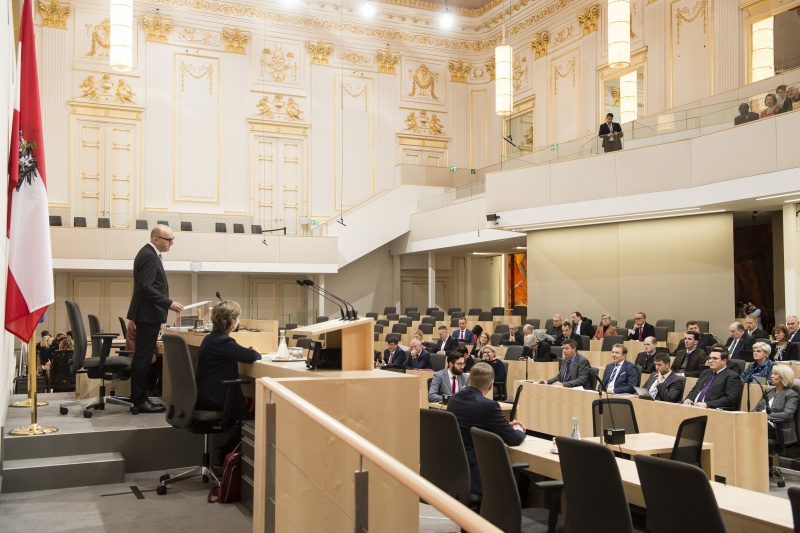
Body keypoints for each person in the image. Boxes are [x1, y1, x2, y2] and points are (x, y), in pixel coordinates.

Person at [126, 224, 184, 413]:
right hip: (148, 315)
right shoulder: (149, 255)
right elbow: (146, 287)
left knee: (143, 357)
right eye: (169, 240)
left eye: (172, 239)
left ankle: (139, 398)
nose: (172, 243)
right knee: (143, 358)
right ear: (156, 239)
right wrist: (168, 303)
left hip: (146, 314)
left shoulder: (149, 254)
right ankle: (140, 400)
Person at [446, 362, 526, 494]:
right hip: (477, 470)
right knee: (523, 480)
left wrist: (504, 426)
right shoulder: (489, 406)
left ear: (468, 379)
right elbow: (513, 439)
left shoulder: (453, 400)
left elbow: (475, 424)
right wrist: (517, 429)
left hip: (455, 467)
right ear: (490, 386)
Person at [195, 300, 261, 418]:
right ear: (232, 321)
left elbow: (236, 352)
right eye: (238, 318)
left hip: (206, 397)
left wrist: (246, 351)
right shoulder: (224, 342)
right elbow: (253, 356)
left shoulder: (210, 339)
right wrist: (254, 351)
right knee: (264, 406)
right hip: (218, 401)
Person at [684, 345, 742, 410]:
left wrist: (707, 404)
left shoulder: (732, 376)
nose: (710, 361)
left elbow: (730, 399)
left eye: (715, 358)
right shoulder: (705, 373)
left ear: (724, 361)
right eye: (710, 358)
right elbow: (694, 390)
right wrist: (688, 398)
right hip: (693, 407)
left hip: (713, 410)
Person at [753, 364, 799, 446]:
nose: (771, 376)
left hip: (780, 433)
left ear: (784, 377)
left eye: (775, 374)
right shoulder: (769, 391)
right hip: (763, 426)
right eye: (772, 373)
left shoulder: (791, 395)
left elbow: (787, 415)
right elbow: (757, 409)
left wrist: (764, 417)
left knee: (752, 438)